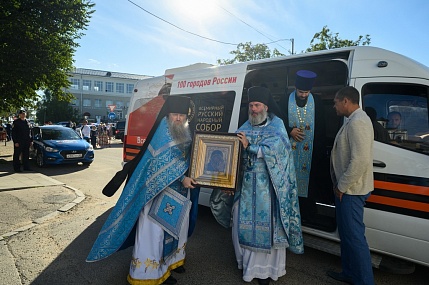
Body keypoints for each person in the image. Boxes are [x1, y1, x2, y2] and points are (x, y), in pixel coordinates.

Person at [87, 96, 198, 285]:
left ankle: (172, 261)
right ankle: (150, 274)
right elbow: (158, 164)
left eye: (181, 115)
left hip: (179, 192)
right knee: (155, 234)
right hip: (157, 192)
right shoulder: (163, 131)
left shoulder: (185, 130)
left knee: (175, 229)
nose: (178, 118)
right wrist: (182, 177)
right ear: (168, 114)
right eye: (175, 114)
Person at [234, 86, 303, 285]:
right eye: (250, 105)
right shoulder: (245, 126)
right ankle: (248, 267)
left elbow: (278, 150)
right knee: (240, 220)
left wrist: (251, 147)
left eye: (257, 105)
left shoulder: (277, 125)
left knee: (269, 229)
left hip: (269, 187)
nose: (253, 109)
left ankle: (266, 272)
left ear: (265, 106)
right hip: (247, 187)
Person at [328, 86, 374, 284]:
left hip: (351, 191)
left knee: (355, 239)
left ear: (345, 101)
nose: (334, 106)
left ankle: (364, 281)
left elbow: (359, 160)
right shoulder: (353, 120)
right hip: (348, 190)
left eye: (335, 102)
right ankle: (349, 273)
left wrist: (341, 186)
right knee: (347, 236)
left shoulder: (358, 122)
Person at [280, 70, 328, 220]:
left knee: (309, 190)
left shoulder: (318, 103)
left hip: (310, 156)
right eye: (301, 91)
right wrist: (289, 131)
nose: (303, 95)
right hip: (289, 154)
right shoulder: (284, 100)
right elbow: (277, 123)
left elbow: (322, 129)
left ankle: (307, 218)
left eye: (307, 92)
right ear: (295, 87)